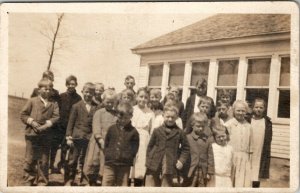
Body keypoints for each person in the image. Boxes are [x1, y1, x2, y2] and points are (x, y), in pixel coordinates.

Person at [20, 78, 59, 186]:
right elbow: (23, 115)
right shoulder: (32, 101)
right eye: (45, 89)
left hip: (46, 136)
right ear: (39, 90)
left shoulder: (53, 103)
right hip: (32, 134)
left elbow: (56, 117)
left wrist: (46, 126)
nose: (47, 91)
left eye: (50, 89)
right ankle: (29, 179)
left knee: (44, 160)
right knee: (30, 158)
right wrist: (32, 122)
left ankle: (42, 181)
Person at [145, 103, 190, 187]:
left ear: (176, 117)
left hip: (170, 162)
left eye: (172, 117)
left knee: (166, 185)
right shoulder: (156, 131)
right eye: (167, 117)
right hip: (154, 161)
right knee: (150, 184)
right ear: (163, 116)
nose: (170, 119)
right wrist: (148, 160)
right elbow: (150, 146)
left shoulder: (180, 132)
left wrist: (181, 161)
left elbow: (186, 148)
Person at [64, 82, 98, 186]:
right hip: (76, 137)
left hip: (89, 138)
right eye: (86, 92)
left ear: (94, 94)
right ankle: (69, 180)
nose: (88, 94)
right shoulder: (76, 106)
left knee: (87, 161)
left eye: (91, 93)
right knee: (72, 160)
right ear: (82, 92)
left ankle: (85, 181)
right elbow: (71, 123)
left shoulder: (96, 107)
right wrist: (69, 137)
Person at [83, 89, 118, 186]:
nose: (110, 104)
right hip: (98, 142)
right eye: (107, 102)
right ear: (103, 101)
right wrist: (100, 138)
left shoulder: (116, 114)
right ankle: (90, 180)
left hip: (110, 143)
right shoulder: (99, 112)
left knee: (105, 162)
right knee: (94, 160)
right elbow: (96, 126)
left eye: (112, 102)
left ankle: (101, 179)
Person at [102, 102, 140, 186]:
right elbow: (106, 144)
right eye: (120, 117)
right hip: (110, 163)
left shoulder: (133, 132)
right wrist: (108, 155)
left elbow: (135, 148)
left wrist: (127, 157)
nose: (123, 120)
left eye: (126, 118)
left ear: (131, 116)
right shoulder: (111, 129)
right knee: (106, 183)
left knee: (122, 185)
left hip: (124, 165)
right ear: (117, 115)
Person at [50, 75, 82, 174]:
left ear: (76, 85)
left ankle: (62, 165)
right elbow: (56, 110)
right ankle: (50, 165)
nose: (71, 86)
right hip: (58, 126)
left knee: (65, 147)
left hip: (69, 127)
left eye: (73, 84)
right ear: (66, 85)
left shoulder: (78, 98)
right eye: (69, 84)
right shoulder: (61, 96)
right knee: (54, 146)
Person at [224, 100, 253, 187]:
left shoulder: (249, 126)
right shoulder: (228, 125)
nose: (240, 113)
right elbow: (224, 143)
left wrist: (250, 158)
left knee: (242, 181)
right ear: (233, 111)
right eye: (238, 110)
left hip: (244, 158)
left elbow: (251, 145)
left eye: (243, 111)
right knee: (231, 180)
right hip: (231, 156)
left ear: (246, 112)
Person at [182, 112, 214, 187]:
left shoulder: (207, 139)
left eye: (203, 126)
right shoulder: (187, 138)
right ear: (192, 125)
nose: (201, 128)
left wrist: (210, 172)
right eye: (198, 126)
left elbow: (210, 156)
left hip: (203, 171)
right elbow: (183, 155)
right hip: (190, 171)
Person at [130, 87, 154, 186]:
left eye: (145, 97)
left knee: (141, 164)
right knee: (131, 163)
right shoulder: (131, 109)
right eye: (141, 96)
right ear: (136, 97)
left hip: (144, 140)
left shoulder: (150, 113)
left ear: (148, 99)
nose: (143, 99)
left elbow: (152, 130)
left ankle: (138, 185)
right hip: (131, 137)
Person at [249, 98, 272, 188]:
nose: (258, 109)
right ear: (252, 108)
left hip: (260, 150)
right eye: (256, 107)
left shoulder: (267, 122)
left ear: (264, 109)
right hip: (249, 149)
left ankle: (255, 188)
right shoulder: (248, 119)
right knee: (247, 171)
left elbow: (268, 139)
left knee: (257, 171)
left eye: (261, 107)